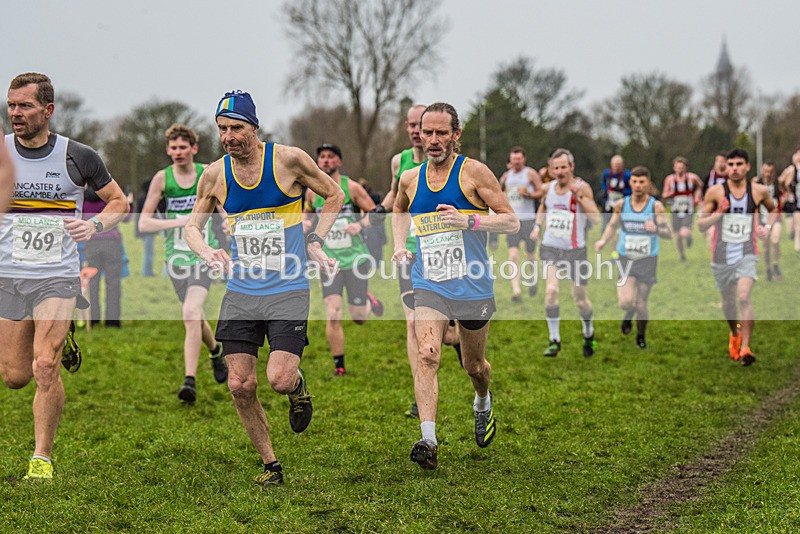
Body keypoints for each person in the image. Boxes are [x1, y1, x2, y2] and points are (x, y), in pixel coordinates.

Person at [185, 91, 344, 486]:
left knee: (279, 379)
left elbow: (334, 195)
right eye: (222, 129)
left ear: (254, 127)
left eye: (236, 128)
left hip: (288, 287)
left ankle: (298, 386)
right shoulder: (215, 175)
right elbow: (191, 226)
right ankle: (271, 465)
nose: (228, 137)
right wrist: (206, 250)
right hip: (241, 291)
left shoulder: (288, 160)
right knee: (240, 384)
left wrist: (316, 240)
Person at [1, 73, 129, 479]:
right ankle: (58, 335)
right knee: (15, 377)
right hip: (10, 277)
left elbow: (119, 201)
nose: (15, 113)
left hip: (57, 275)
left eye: (24, 106)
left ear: (48, 110)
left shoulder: (79, 156)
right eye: (11, 104)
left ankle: (42, 457)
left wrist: (94, 227)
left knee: (44, 365)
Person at [392, 102, 519, 470]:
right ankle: (428, 440)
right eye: (426, 132)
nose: (432, 140)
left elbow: (511, 223)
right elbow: (400, 209)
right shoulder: (410, 179)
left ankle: (482, 401)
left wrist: (469, 221)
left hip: (472, 285)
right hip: (429, 280)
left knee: (473, 365)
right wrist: (400, 245)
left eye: (440, 133)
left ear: (456, 135)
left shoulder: (474, 174)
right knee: (428, 352)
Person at [380, 104, 461, 418]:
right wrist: (378, 209)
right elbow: (395, 197)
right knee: (412, 324)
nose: (418, 132)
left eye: (423, 126)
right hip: (411, 254)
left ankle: (467, 356)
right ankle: (420, 392)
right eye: (413, 126)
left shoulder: (450, 164)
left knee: (452, 333)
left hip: (445, 252)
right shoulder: (399, 162)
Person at [139, 124, 228, 403]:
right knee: (195, 316)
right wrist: (180, 221)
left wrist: (226, 218)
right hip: (175, 257)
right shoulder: (162, 179)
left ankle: (189, 382)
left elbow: (224, 205)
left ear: (193, 149)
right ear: (168, 150)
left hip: (204, 253)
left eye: (182, 147)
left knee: (190, 312)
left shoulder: (207, 173)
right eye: (173, 148)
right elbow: (143, 222)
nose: (178, 152)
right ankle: (215, 350)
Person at [305, 143, 383, 375]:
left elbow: (376, 214)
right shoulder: (312, 190)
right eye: (322, 157)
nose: (326, 161)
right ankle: (339, 365)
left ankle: (368, 301)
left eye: (330, 157)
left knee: (359, 318)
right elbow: (306, 213)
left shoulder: (352, 188)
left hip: (356, 259)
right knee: (333, 311)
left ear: (339, 162)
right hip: (329, 261)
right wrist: (306, 222)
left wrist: (359, 225)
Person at [698, 148, 776, 366]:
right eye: (730, 165)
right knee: (728, 304)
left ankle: (745, 348)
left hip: (747, 253)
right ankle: (735, 332)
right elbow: (701, 225)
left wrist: (767, 226)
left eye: (739, 164)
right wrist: (718, 214)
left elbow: (773, 208)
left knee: (743, 297)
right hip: (721, 256)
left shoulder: (758, 191)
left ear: (748, 167)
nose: (734, 169)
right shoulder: (715, 192)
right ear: (726, 167)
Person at [531, 148, 601, 357]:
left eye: (563, 167)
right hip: (551, 247)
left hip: (575, 250)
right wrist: (536, 226)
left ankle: (588, 331)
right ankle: (554, 340)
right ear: (551, 169)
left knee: (580, 300)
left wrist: (579, 197)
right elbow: (543, 207)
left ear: (571, 167)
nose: (560, 171)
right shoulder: (547, 188)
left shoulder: (582, 188)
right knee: (551, 291)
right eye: (556, 167)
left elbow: (596, 218)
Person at [595, 166, 672, 348]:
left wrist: (657, 229)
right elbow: (613, 226)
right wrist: (602, 241)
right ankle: (628, 314)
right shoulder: (622, 204)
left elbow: (669, 233)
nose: (638, 185)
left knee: (641, 302)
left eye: (642, 182)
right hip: (626, 258)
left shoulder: (656, 206)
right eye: (635, 181)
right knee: (625, 302)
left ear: (648, 183)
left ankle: (640, 336)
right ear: (630, 183)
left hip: (647, 260)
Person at [499, 146, 542, 301]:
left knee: (530, 255)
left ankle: (532, 280)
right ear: (510, 160)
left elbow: (540, 191)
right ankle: (516, 291)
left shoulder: (530, 174)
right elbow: (499, 193)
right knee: (513, 255)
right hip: (513, 221)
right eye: (513, 159)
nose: (516, 162)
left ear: (524, 159)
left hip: (528, 219)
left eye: (519, 159)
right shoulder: (506, 176)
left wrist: (529, 195)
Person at [83, 187, 126, 327]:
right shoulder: (110, 197)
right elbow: (126, 215)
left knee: (92, 284)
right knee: (113, 283)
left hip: (91, 243)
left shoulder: (82, 198)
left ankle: (93, 319)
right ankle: (112, 320)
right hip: (111, 243)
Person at [661, 157, 703, 261]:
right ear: (674, 168)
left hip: (688, 209)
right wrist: (670, 194)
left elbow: (701, 186)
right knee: (677, 235)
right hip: (675, 210)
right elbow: (664, 194)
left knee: (684, 232)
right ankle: (682, 255)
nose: (680, 170)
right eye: (677, 168)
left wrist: (697, 196)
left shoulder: (692, 178)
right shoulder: (669, 179)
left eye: (682, 168)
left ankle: (689, 238)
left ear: (685, 168)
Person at [752, 161, 783, 281]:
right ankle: (768, 268)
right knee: (765, 247)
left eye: (770, 171)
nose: (768, 174)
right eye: (765, 171)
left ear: (773, 172)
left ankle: (775, 264)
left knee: (775, 240)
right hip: (762, 218)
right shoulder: (756, 183)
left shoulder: (777, 183)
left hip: (775, 217)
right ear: (761, 170)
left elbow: (785, 191)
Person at [778, 146, 800, 252]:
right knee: (791, 228)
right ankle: (794, 238)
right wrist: (785, 191)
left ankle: (797, 246)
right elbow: (780, 180)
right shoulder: (790, 170)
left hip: (798, 203)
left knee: (798, 225)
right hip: (790, 201)